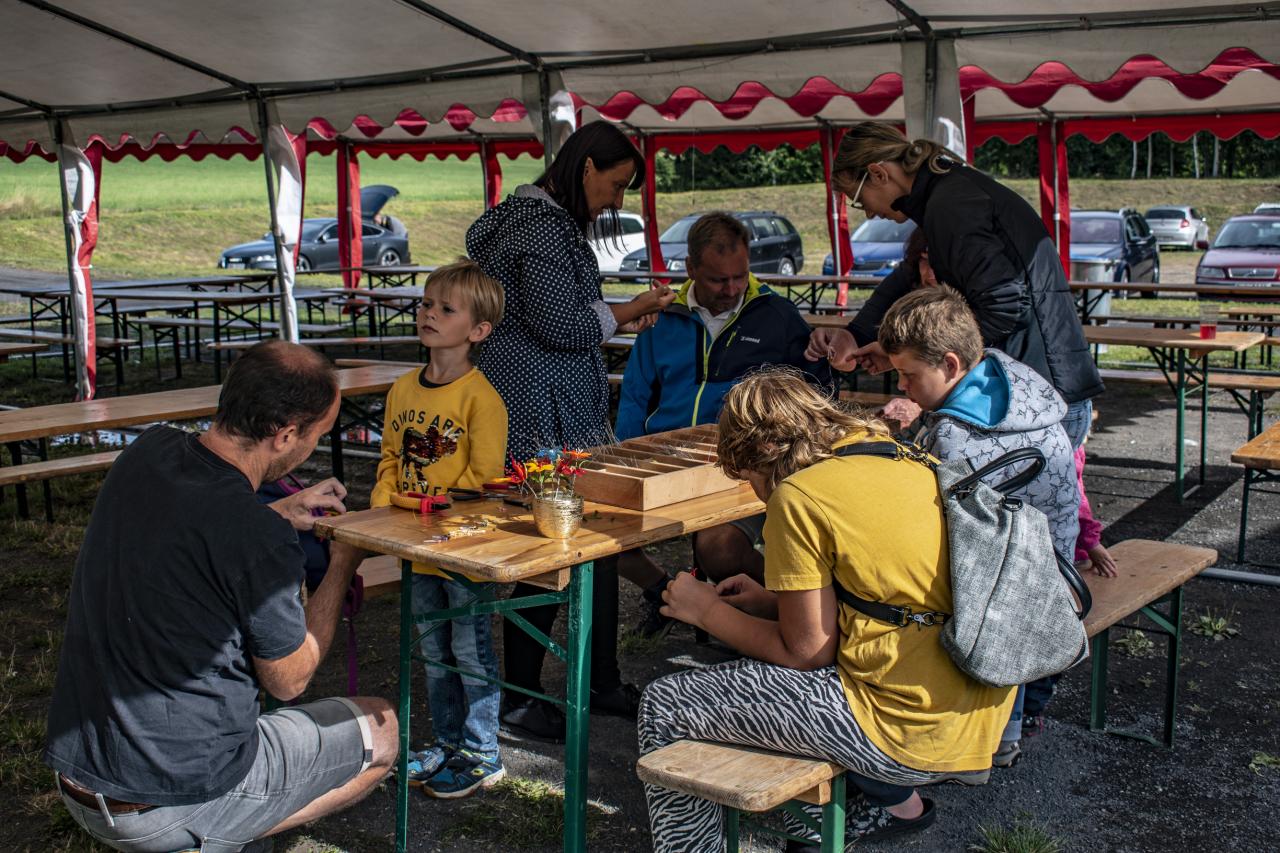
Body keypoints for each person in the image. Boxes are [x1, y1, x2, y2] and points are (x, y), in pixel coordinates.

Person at [44, 341, 398, 853]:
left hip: (80, 773)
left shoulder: (148, 452)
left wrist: (277, 512)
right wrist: (343, 562)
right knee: (382, 732)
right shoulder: (257, 540)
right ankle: (213, 833)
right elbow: (290, 681)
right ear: (285, 435)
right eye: (318, 434)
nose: (313, 447)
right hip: (171, 799)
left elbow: (195, 529)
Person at [641, 368, 1015, 851]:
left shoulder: (799, 495)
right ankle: (816, 831)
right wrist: (770, 602)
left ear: (761, 454)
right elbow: (885, 593)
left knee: (666, 703)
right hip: (978, 708)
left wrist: (705, 611)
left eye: (748, 477)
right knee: (756, 687)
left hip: (908, 730)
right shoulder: (900, 456)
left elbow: (807, 653)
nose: (754, 491)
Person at [467, 120, 676, 741]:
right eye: (616, 184)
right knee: (546, 550)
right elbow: (562, 325)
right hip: (543, 411)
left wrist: (610, 319)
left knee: (599, 540)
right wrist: (631, 309)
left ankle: (598, 678)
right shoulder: (540, 227)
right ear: (587, 168)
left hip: (552, 404)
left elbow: (559, 316)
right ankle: (520, 698)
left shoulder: (530, 222)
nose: (617, 199)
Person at [805, 121, 1103, 452]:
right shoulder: (944, 194)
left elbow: (1003, 307)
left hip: (1040, 394)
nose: (870, 214)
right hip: (1038, 388)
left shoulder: (951, 205)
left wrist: (911, 354)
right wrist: (856, 334)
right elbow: (905, 276)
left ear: (878, 173)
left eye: (860, 200)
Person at [877, 287, 1080, 768]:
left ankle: (980, 735)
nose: (901, 386)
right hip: (1057, 574)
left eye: (908, 375)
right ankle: (1020, 719)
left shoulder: (954, 438)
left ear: (950, 365)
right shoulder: (1022, 389)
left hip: (1003, 595)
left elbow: (930, 526)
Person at [614, 211, 834, 635]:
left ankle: (799, 613)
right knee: (601, 538)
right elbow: (636, 395)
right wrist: (626, 456)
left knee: (719, 548)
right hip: (667, 458)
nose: (731, 289)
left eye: (739, 276)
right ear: (690, 268)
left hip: (745, 466)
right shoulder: (662, 317)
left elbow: (814, 396)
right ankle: (665, 592)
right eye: (718, 280)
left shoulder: (776, 314)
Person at [369, 259, 509, 798]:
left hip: (461, 549)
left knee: (470, 650)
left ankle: (482, 752)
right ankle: (448, 743)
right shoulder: (403, 388)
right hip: (414, 545)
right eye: (427, 303)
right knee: (433, 651)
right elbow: (389, 458)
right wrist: (385, 506)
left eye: (446, 309)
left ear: (478, 331)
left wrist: (422, 507)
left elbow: (483, 483)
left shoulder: (482, 399)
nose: (429, 314)